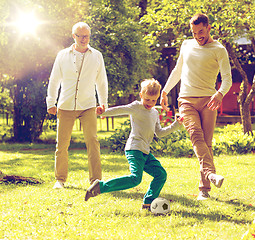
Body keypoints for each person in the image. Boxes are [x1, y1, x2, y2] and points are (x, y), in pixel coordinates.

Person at [160, 13, 232, 200]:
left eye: (201, 31)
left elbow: (227, 79)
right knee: (196, 136)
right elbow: (178, 70)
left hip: (208, 100)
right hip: (186, 100)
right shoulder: (187, 45)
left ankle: (204, 190)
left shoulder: (219, 50)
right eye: (194, 33)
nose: (198, 36)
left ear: (209, 28)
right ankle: (210, 174)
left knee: (206, 144)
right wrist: (165, 91)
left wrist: (219, 94)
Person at [84, 79, 182, 210]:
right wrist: (104, 112)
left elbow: (159, 132)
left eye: (153, 101)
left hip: (145, 152)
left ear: (157, 98)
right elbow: (121, 109)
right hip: (134, 149)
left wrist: (176, 124)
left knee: (161, 174)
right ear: (141, 95)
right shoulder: (136, 107)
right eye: (147, 100)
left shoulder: (154, 113)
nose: (150, 103)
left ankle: (148, 203)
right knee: (136, 179)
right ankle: (100, 187)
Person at [46, 22, 108, 189]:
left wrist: (103, 102)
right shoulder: (62, 55)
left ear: (89, 36)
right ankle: (60, 180)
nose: (83, 39)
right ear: (74, 36)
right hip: (65, 105)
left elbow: (101, 81)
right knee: (62, 144)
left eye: (86, 36)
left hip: (88, 105)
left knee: (92, 141)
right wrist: (51, 102)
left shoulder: (97, 55)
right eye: (80, 36)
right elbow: (54, 80)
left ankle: (96, 180)